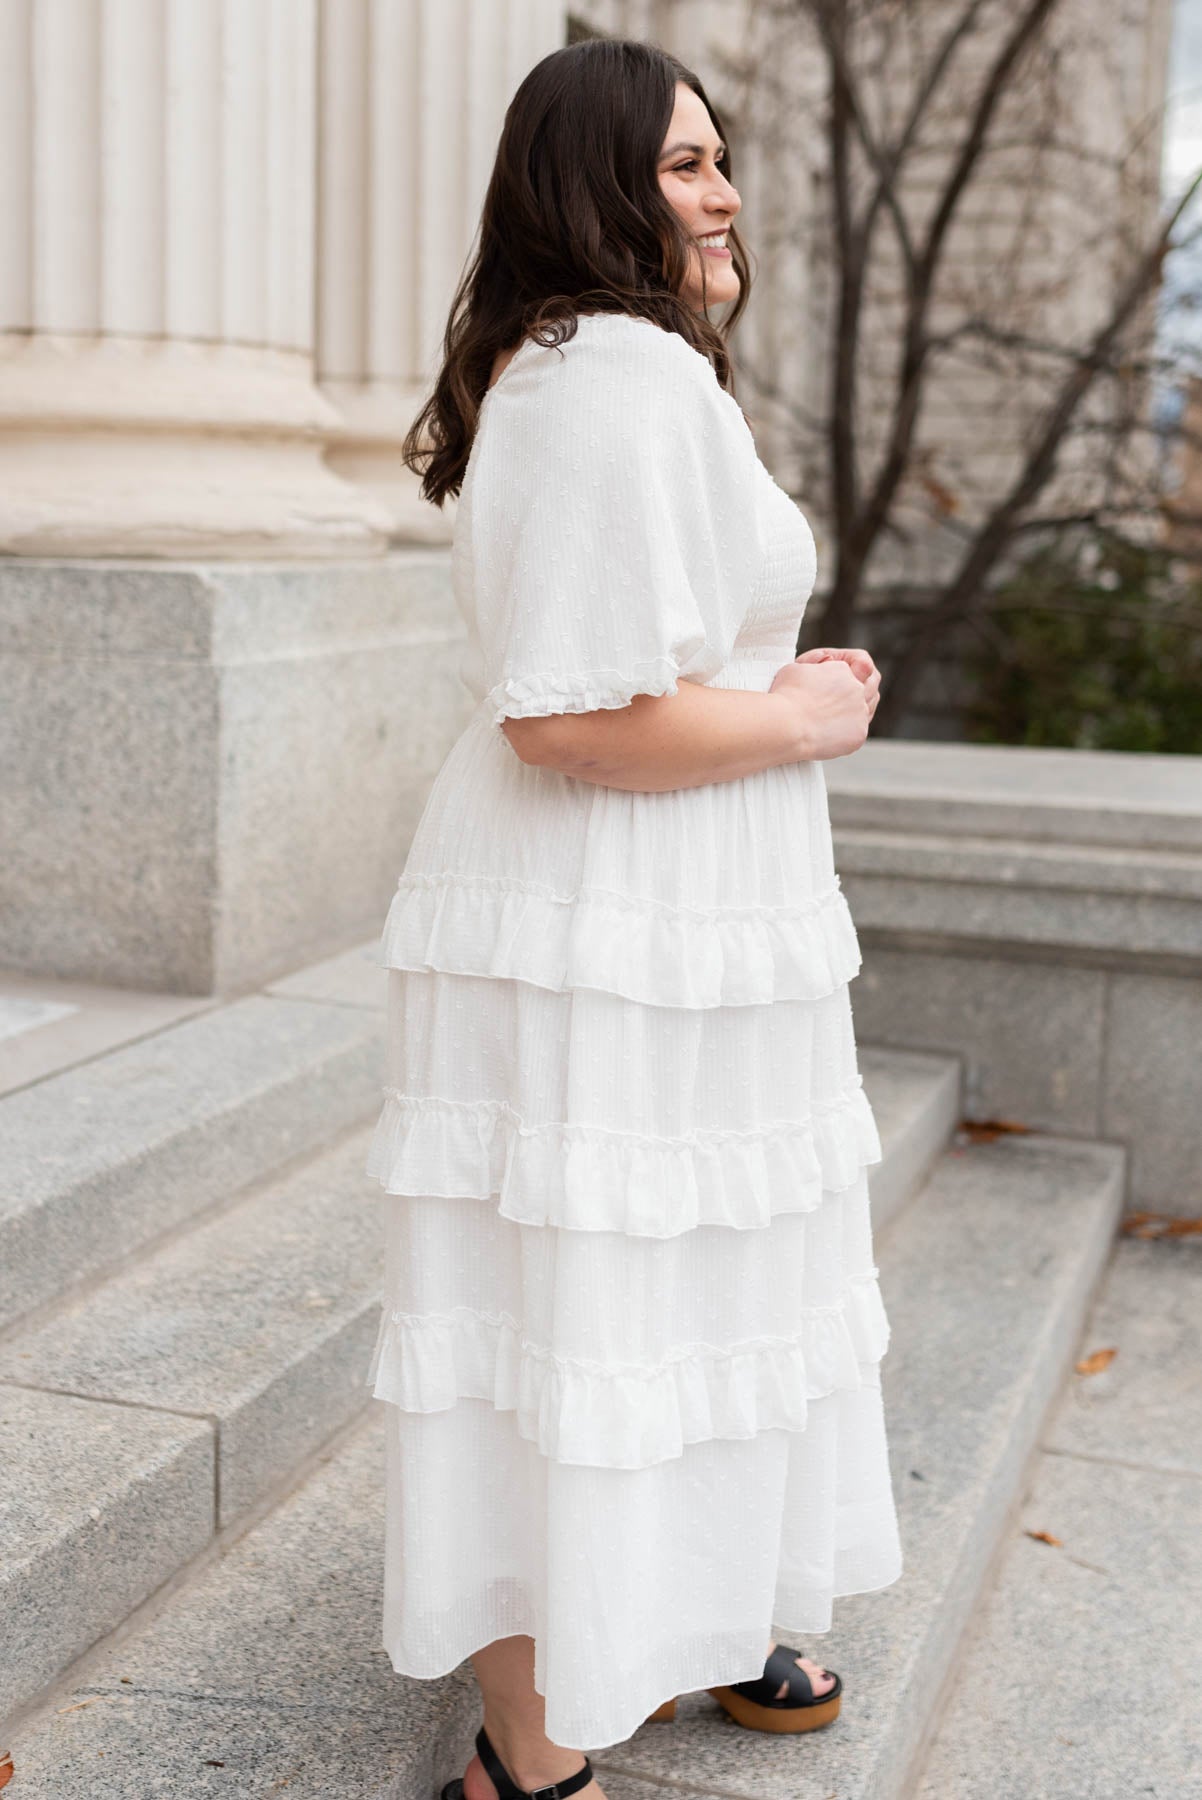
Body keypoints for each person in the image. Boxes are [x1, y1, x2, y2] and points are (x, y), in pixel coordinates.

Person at [365, 35, 903, 1800]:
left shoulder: (626, 370)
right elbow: (574, 719)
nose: (724, 190)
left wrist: (771, 685)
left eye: (720, 157)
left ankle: (692, 1610)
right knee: (590, 1302)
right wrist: (806, 716)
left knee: (683, 1276)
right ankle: (531, 1743)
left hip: (670, 909)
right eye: (684, 165)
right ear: (590, 185)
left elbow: (654, 658)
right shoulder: (605, 378)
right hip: (608, 907)